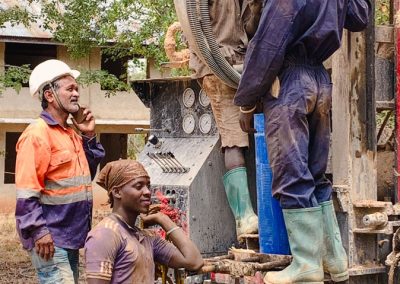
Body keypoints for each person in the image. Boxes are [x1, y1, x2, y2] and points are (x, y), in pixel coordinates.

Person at [234, 1, 371, 283]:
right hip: (320, 82)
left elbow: (268, 46)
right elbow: (360, 17)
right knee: (315, 172)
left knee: (291, 172)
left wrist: (247, 102)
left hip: (290, 82)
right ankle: (333, 258)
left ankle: (306, 264)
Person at [15, 59, 105, 283]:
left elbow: (87, 176)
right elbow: (27, 192)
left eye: (77, 89)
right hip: (51, 239)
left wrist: (88, 135)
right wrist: (39, 232)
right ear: (49, 95)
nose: (76, 94)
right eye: (70, 89)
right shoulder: (37, 134)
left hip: (70, 237)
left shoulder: (71, 134)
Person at [188, 0, 263, 239]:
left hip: (248, 66)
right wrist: (218, 58)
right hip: (218, 68)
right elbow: (195, 33)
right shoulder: (191, 3)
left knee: (261, 134)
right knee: (234, 140)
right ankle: (244, 218)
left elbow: (250, 27)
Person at [84, 160, 203, 283]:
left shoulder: (147, 238)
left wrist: (163, 219)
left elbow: (194, 261)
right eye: (139, 186)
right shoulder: (106, 235)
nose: (147, 192)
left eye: (148, 186)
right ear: (117, 192)